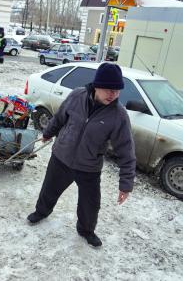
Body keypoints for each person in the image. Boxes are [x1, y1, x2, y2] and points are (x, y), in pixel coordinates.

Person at [27, 63, 136, 247]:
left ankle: (86, 230)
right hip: (61, 156)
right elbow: (60, 117)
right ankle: (41, 212)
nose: (114, 95)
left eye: (117, 90)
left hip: (89, 166)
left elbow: (126, 151)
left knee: (90, 204)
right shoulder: (77, 95)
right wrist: (47, 133)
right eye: (109, 89)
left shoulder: (118, 115)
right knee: (49, 190)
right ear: (97, 85)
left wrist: (126, 184)